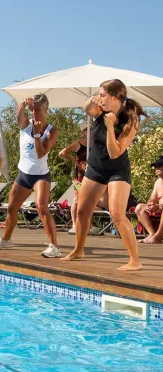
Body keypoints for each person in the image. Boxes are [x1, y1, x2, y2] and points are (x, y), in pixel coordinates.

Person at [62, 79, 147, 271]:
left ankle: (135, 260)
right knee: (83, 211)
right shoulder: (99, 111)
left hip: (117, 170)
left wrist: (110, 127)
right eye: (99, 94)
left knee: (117, 213)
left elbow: (115, 152)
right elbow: (86, 107)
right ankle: (78, 250)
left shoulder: (129, 121)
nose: (100, 98)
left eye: (103, 94)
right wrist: (91, 99)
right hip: (96, 168)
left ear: (115, 97)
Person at [0, 94, 61, 257]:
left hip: (41, 175)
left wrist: (36, 135)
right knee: (12, 207)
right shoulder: (25, 126)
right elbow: (18, 115)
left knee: (42, 207)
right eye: (33, 110)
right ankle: (6, 240)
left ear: (46, 110)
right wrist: (22, 104)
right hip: (24, 174)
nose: (35, 113)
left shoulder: (52, 130)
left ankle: (55, 247)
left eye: (38, 110)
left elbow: (41, 153)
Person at [59, 122, 89, 234]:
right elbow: (62, 153)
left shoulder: (95, 144)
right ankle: (74, 224)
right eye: (89, 130)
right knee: (77, 199)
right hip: (80, 175)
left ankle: (88, 225)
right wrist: (75, 161)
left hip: (92, 174)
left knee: (90, 199)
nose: (92, 132)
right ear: (84, 132)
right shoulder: (78, 143)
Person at [136, 156, 163, 244]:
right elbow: (152, 198)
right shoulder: (158, 182)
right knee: (140, 207)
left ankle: (158, 237)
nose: (156, 168)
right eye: (155, 166)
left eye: (159, 166)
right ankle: (152, 234)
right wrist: (151, 204)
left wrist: (158, 206)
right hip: (159, 207)